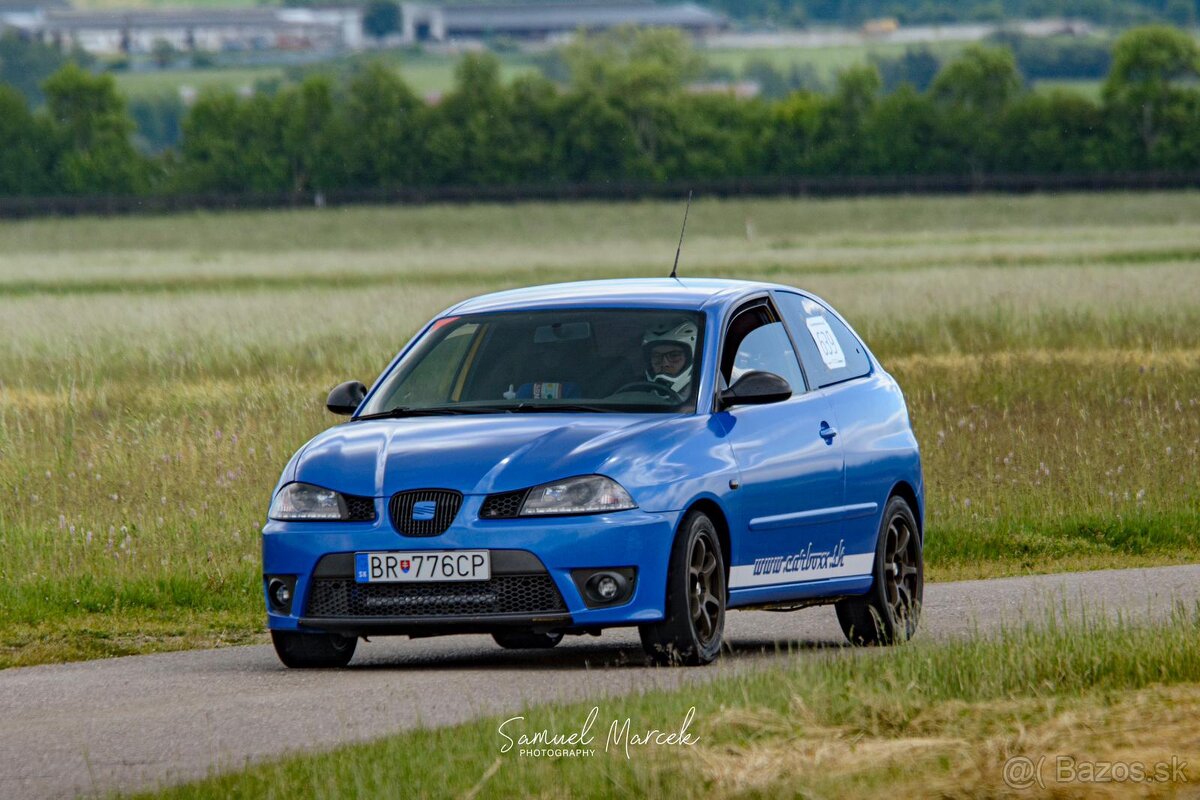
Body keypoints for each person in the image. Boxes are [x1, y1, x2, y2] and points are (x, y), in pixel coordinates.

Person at [641, 319, 698, 398]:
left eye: (674, 355)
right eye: (656, 356)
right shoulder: (636, 394)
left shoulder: (708, 394)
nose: (664, 364)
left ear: (690, 358)